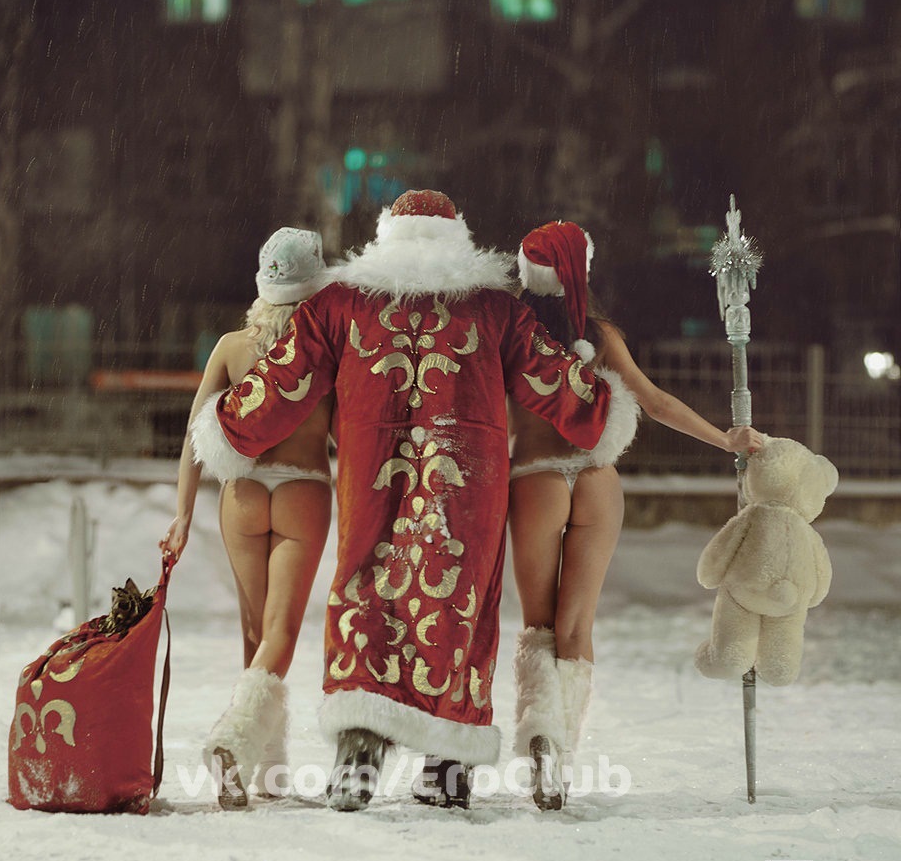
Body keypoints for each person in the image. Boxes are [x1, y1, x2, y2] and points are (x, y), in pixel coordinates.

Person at [190, 190, 634, 812]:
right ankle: (448, 767)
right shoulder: (494, 309)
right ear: (457, 237)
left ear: (386, 238)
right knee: (457, 602)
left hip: (374, 483)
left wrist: (227, 424)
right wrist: (604, 408)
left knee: (368, 597)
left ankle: (358, 753)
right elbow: (553, 381)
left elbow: (284, 380)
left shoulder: (341, 304)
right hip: (465, 489)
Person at [508, 220, 764, 810]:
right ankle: (561, 751)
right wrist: (725, 439)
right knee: (577, 626)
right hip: (597, 479)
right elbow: (656, 402)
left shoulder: (506, 333)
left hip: (537, 478)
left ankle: (540, 732)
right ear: (582, 272)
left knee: (539, 624)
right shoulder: (598, 335)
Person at [160, 227, 333, 810]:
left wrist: (183, 514)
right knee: (280, 634)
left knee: (255, 632)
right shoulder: (328, 351)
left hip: (242, 495)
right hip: (303, 490)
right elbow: (354, 436)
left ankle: (266, 771)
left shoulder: (232, 348)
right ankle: (235, 741)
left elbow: (196, 434)